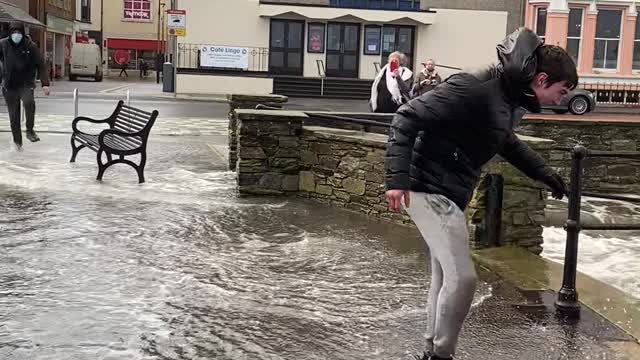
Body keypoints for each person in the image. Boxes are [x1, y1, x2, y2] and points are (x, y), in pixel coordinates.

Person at [384, 28, 576, 360]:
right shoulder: (475, 87)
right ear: (542, 79)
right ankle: (440, 355)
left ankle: (431, 350)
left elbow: (507, 143)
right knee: (463, 280)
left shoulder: (506, 96)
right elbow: (406, 117)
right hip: (428, 189)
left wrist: (547, 175)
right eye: (561, 91)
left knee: (445, 276)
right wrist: (396, 181)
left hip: (448, 192)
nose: (561, 99)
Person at [0, 21, 50, 150]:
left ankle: (29, 130)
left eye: (18, 32)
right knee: (14, 117)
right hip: (9, 85)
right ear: (10, 33)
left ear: (22, 33)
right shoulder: (3, 44)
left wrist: (45, 84)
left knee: (29, 102)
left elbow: (41, 65)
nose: (16, 35)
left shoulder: (30, 46)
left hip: (26, 83)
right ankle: (18, 144)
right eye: (13, 32)